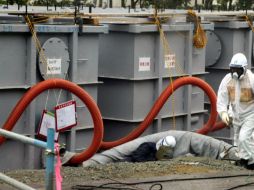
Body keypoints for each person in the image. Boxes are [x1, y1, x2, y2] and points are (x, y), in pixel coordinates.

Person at [217, 52, 254, 169]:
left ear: (244, 69)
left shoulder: (251, 80)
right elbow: (222, 99)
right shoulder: (228, 80)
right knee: (238, 141)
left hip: (250, 114)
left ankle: (252, 162)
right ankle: (244, 161)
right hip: (236, 115)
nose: (235, 73)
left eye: (238, 71)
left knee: (244, 138)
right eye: (233, 70)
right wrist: (224, 114)